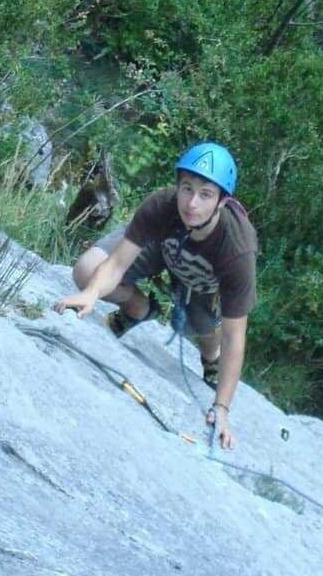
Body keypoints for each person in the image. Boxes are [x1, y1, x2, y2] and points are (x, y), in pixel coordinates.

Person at [55, 142, 257, 450]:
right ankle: (139, 309)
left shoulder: (237, 249)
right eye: (187, 189)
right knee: (87, 270)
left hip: (205, 282)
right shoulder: (162, 205)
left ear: (222, 201)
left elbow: (234, 336)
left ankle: (210, 360)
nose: (192, 203)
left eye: (205, 194)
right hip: (162, 249)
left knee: (201, 330)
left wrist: (222, 408)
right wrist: (90, 293)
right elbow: (117, 263)